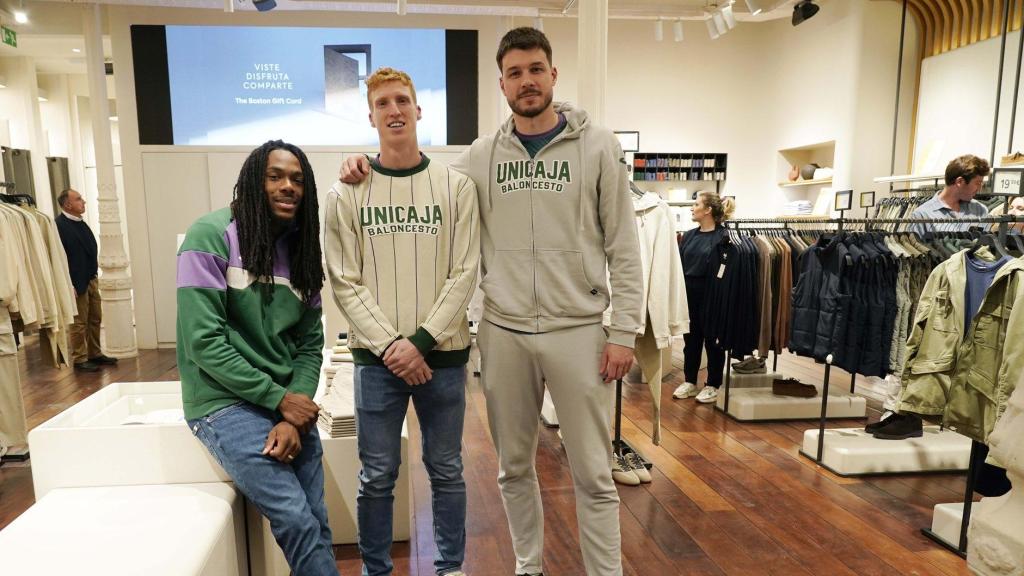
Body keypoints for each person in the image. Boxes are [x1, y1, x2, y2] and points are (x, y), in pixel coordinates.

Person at [341, 27, 643, 576]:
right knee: (512, 469)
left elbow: (624, 241)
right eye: (514, 73)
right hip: (503, 331)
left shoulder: (599, 146)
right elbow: (418, 179)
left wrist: (624, 328)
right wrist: (364, 165)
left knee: (595, 473)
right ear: (501, 83)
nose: (526, 81)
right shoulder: (481, 155)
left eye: (535, 69)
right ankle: (529, 566)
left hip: (578, 329)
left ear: (552, 74)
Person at [325, 67, 479, 576]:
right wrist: (395, 345)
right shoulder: (346, 192)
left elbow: (464, 272)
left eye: (402, 101)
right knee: (376, 475)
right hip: (376, 361)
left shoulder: (456, 186)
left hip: (445, 358)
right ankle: (376, 570)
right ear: (370, 116)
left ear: (418, 110)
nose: (394, 110)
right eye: (384, 103)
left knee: (447, 469)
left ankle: (451, 567)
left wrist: (421, 342)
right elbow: (343, 279)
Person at [177, 140, 337, 576]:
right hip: (222, 404)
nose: (288, 186)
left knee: (318, 522)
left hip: (283, 402)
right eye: (276, 176)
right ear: (253, 180)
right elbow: (203, 342)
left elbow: (308, 346)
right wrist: (279, 400)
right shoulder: (209, 235)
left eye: (298, 180)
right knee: (296, 520)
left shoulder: (301, 250)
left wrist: (291, 409)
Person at [672, 191, 735, 404]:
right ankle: (690, 381)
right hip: (689, 293)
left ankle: (713, 384)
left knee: (713, 340)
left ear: (708, 210)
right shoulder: (689, 236)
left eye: (696, 204)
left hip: (713, 294)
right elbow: (679, 265)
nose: (692, 207)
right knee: (691, 340)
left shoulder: (724, 237)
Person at [55, 188, 117, 372]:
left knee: (95, 318)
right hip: (76, 282)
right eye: (78, 199)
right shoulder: (59, 226)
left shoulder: (80, 223)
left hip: (90, 279)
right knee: (78, 322)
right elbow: (60, 258)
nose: (83, 202)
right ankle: (80, 359)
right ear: (67, 204)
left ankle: (95, 353)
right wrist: (68, 284)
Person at [908, 154, 991, 236]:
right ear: (960, 182)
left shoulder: (980, 210)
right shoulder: (922, 215)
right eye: (978, 183)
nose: (980, 188)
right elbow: (914, 248)